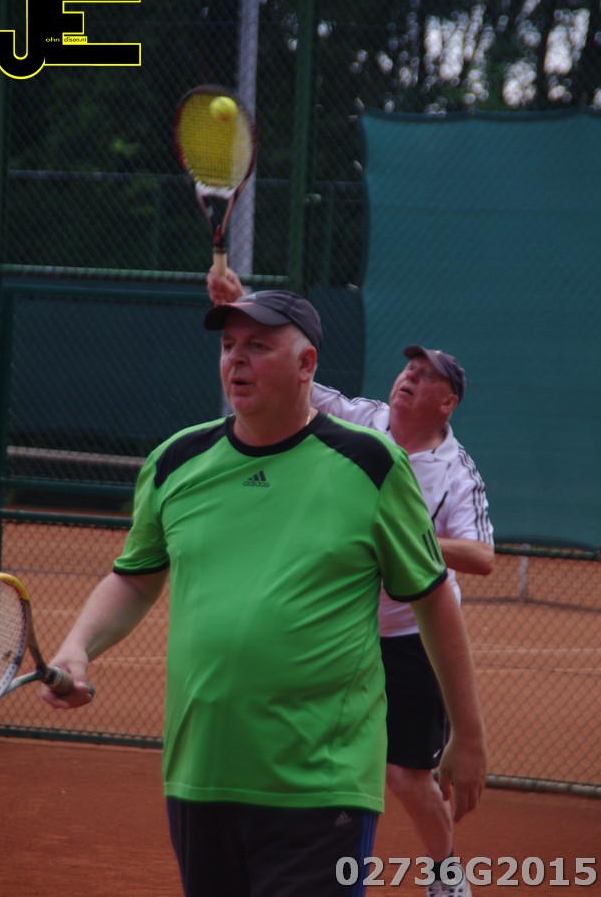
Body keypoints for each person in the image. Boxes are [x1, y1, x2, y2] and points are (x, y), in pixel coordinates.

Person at [42, 288, 487, 897]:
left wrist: (468, 733)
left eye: (257, 346)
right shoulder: (176, 461)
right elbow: (134, 576)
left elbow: (433, 598)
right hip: (199, 778)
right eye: (228, 346)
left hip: (320, 787)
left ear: (306, 365)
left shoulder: (371, 464)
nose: (236, 359)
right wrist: (77, 647)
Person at [207, 268, 494, 897]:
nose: (408, 377)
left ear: (447, 403)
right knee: (320, 760)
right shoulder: (361, 418)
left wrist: (398, 534)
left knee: (407, 777)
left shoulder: (456, 470)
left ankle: (446, 873)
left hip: (413, 637)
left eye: (425, 377)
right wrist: (240, 305)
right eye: (407, 369)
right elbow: (292, 380)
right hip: (345, 629)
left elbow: (481, 556)